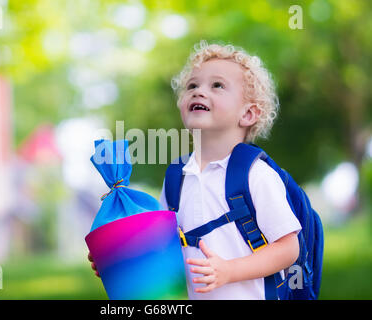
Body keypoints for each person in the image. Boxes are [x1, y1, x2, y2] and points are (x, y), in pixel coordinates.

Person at [89, 40, 301, 300]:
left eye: (217, 85)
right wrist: (122, 258)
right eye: (192, 85)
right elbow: (165, 250)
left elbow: (288, 249)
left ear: (248, 114)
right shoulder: (176, 178)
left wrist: (229, 270)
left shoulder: (256, 175)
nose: (199, 92)